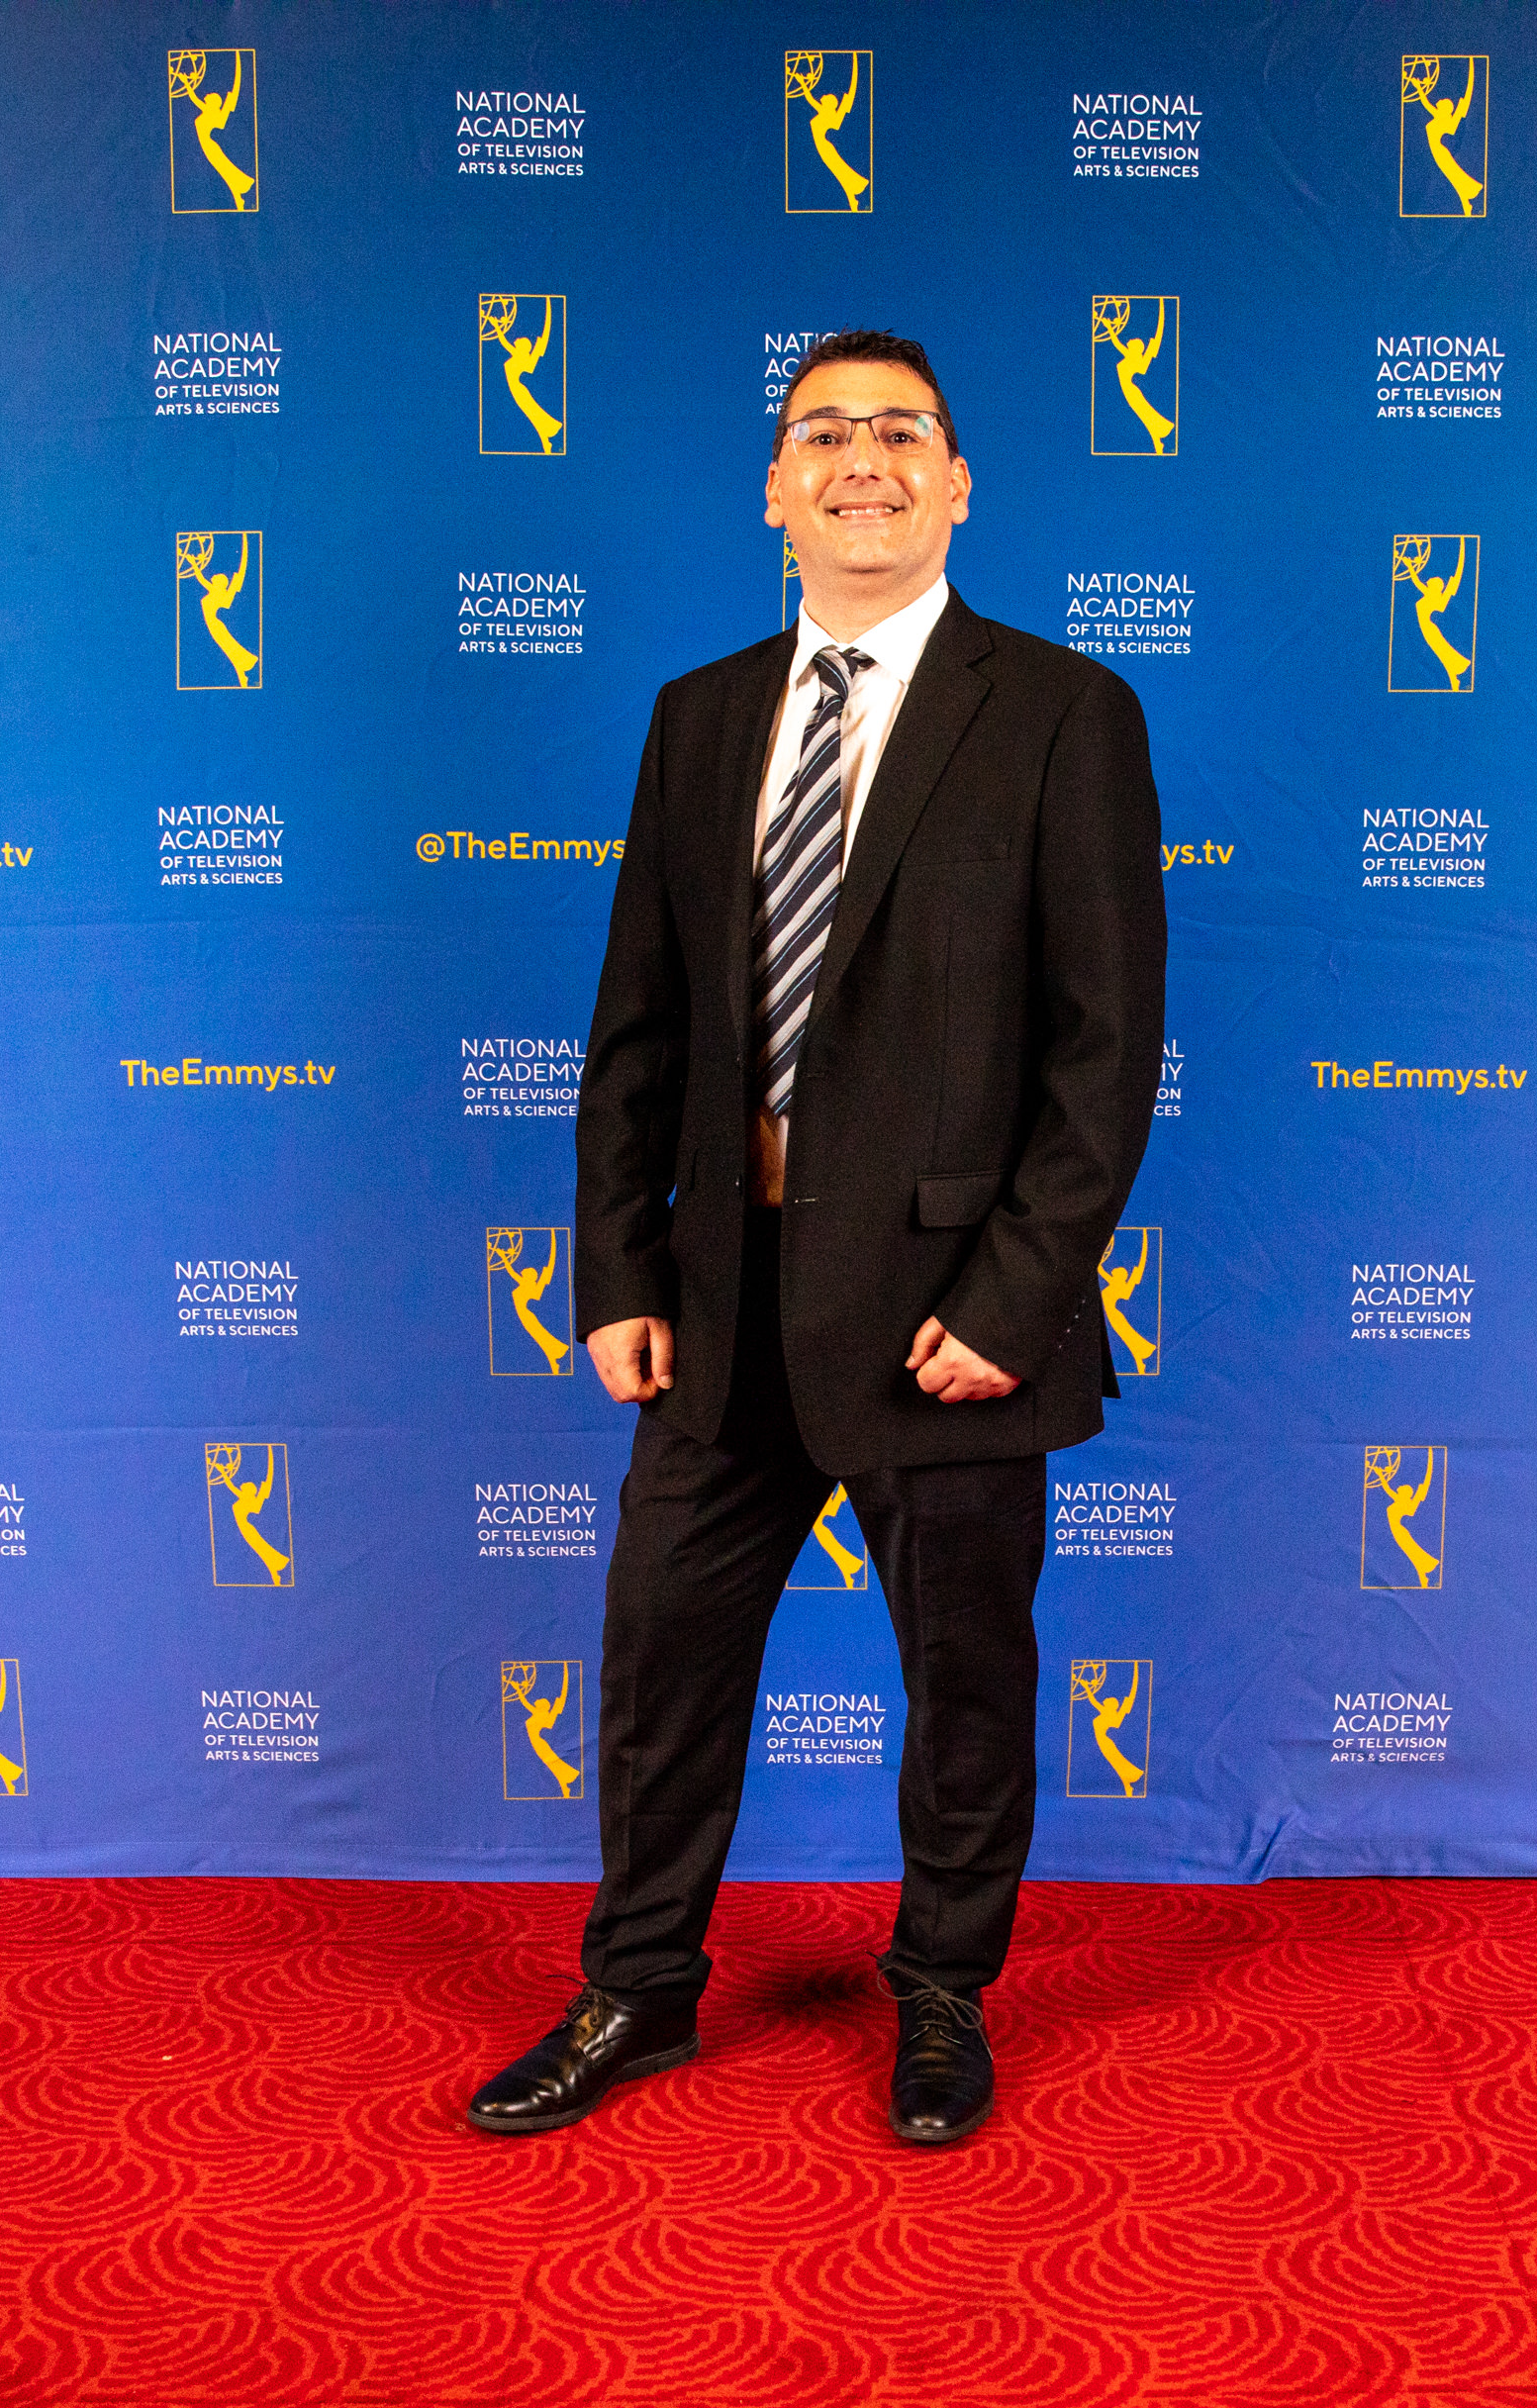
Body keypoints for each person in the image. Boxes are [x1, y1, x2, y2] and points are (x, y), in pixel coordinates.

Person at [467, 329, 1166, 2148]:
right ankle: (638, 1989)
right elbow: (637, 1026)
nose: (864, 458)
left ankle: (941, 1993)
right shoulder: (699, 718)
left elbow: (1104, 1056)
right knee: (662, 1663)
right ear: (776, 489)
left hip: (949, 1315)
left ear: (958, 484)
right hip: (717, 1302)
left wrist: (1016, 1295)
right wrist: (618, 1269)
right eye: (824, 432)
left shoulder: (1064, 713)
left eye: (901, 432)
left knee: (965, 1683)